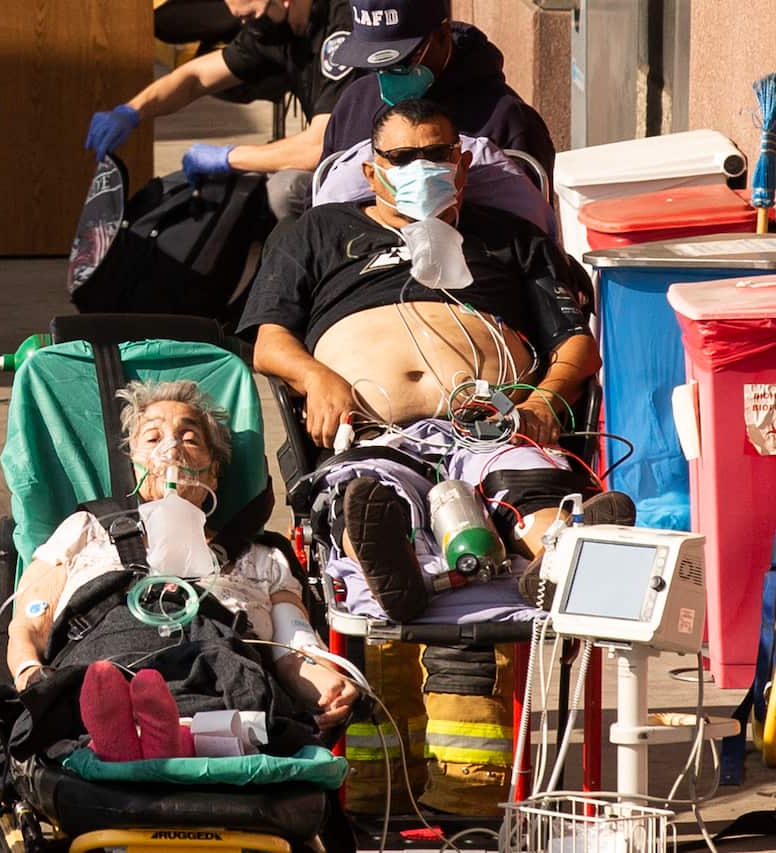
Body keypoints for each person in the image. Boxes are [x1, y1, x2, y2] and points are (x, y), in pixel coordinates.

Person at [239, 99, 631, 813]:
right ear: (369, 170)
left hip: (491, 425)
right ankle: (393, 554)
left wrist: (542, 401)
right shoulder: (319, 232)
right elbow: (269, 340)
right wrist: (318, 377)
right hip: (374, 430)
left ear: (464, 161)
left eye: (437, 153)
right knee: (369, 491)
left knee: (528, 481)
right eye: (402, 158)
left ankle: (559, 554)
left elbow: (578, 341)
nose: (423, 168)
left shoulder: (510, 239)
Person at [6, 380, 360, 753]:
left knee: (237, 698)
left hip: (223, 686)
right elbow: (29, 624)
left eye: (189, 439)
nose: (171, 449)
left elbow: (293, 648)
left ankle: (147, 738)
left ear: (214, 471)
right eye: (153, 438)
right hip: (105, 669)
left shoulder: (262, 558)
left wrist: (324, 684)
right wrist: (30, 673)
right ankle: (144, 734)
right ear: (133, 464)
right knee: (96, 689)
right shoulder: (86, 531)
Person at [86, 0, 358, 217]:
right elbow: (195, 78)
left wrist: (227, 157)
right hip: (335, 157)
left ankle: (307, 281)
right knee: (235, 189)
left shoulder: (344, 29)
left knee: (282, 190)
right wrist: (132, 111)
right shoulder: (277, 27)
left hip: (370, 167)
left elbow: (318, 146)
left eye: (250, 16)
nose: (246, 26)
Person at [320, 0, 555, 179]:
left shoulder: (507, 121)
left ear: (443, 36)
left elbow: (531, 231)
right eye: (375, 65)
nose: (386, 74)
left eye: (402, 61)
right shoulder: (353, 105)